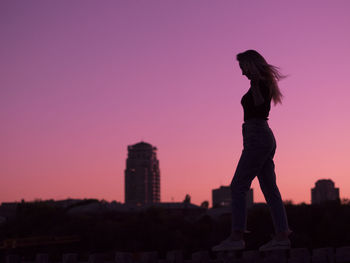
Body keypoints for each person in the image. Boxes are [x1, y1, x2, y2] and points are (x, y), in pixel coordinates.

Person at [212, 50, 292, 252]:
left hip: (257, 135)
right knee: (269, 189)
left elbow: (259, 105)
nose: (242, 73)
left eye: (243, 68)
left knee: (238, 186)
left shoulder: (261, 83)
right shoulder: (263, 83)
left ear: (250, 65)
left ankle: (236, 236)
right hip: (260, 136)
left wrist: (255, 82)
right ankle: (282, 236)